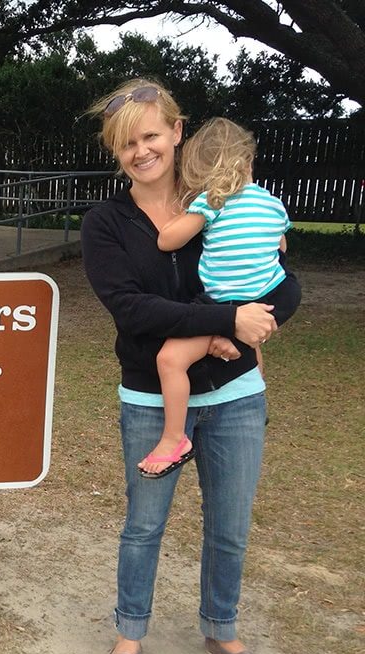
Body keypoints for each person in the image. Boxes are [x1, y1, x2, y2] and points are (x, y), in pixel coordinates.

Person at [80, 79, 300, 654]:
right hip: (152, 400)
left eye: (151, 135)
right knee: (144, 524)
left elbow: (282, 281)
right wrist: (225, 320)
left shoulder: (229, 200)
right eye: (126, 144)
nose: (140, 151)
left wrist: (263, 322)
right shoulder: (106, 223)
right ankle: (129, 634)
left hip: (235, 395)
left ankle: (223, 630)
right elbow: (134, 310)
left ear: (177, 133)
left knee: (229, 525)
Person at [141, 117, 293, 479]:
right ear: (248, 161)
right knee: (252, 348)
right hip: (264, 300)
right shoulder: (273, 206)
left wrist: (194, 211)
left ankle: (174, 438)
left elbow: (167, 241)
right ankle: (256, 405)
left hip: (219, 305)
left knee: (170, 360)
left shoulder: (213, 201)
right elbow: (281, 250)